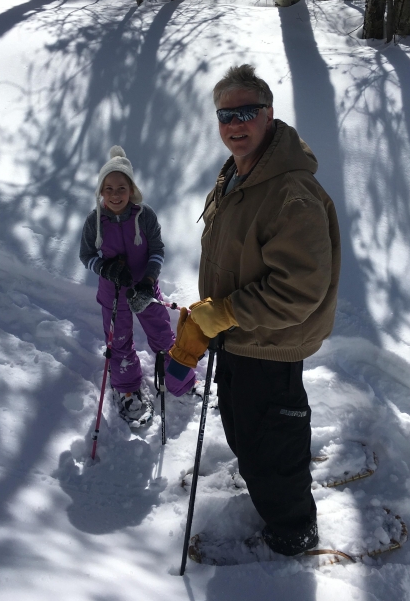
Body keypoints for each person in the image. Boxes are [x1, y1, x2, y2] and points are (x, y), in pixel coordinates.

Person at [170, 65, 341, 556]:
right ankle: (265, 478)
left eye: (247, 112)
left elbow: (299, 290)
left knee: (271, 443)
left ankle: (292, 531)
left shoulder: (291, 193)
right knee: (249, 428)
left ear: (269, 115)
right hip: (243, 335)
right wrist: (214, 315)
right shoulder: (238, 175)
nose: (235, 123)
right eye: (226, 114)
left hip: (268, 342)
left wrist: (222, 313)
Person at [80, 146, 196, 425]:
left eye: (121, 187)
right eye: (108, 188)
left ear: (131, 189)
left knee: (163, 334)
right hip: (112, 294)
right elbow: (86, 256)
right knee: (118, 341)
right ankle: (128, 389)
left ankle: (181, 381)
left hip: (145, 289)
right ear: (101, 191)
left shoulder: (144, 216)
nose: (115, 194)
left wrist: (149, 280)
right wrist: (106, 268)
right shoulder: (94, 221)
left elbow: (157, 249)